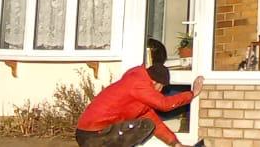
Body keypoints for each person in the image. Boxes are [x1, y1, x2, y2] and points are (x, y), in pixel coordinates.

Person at [74, 61, 204, 147]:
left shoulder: (140, 97)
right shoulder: (138, 84)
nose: (161, 91)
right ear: (155, 82)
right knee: (145, 125)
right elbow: (164, 104)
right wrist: (192, 93)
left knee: (148, 124)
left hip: (96, 132)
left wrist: (175, 143)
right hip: (93, 134)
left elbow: (156, 123)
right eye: (162, 87)